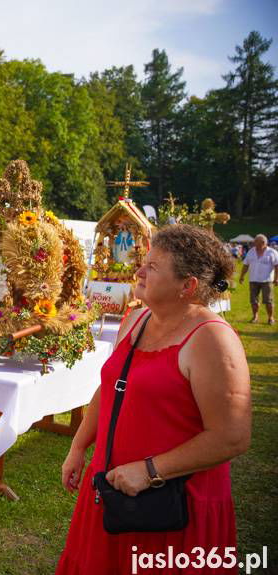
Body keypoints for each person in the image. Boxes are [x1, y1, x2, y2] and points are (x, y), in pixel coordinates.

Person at [56, 225, 250, 575]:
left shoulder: (212, 340)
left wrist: (149, 472)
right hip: (112, 492)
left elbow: (231, 437)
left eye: (153, 267)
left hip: (172, 508)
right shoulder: (135, 319)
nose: (139, 271)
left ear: (187, 286)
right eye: (144, 262)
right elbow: (112, 388)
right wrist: (79, 446)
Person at [239, 233, 278, 325]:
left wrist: (276, 278)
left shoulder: (272, 252)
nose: (254, 243)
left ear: (263, 242)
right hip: (253, 280)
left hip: (267, 280)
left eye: (256, 242)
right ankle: (255, 316)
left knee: (268, 301)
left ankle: (270, 318)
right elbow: (245, 265)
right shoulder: (251, 251)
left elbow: (277, 267)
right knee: (253, 300)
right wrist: (242, 276)